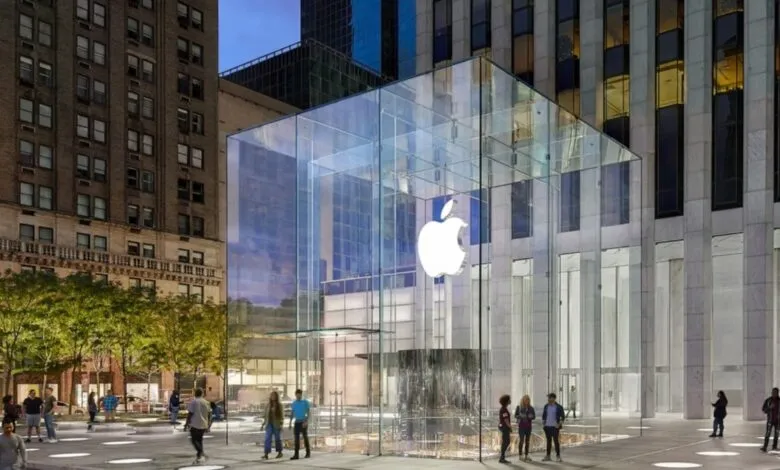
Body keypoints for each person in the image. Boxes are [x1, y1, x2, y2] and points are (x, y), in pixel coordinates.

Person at [184, 388, 212, 465]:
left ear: (195, 394)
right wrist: (209, 425)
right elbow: (210, 414)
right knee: (199, 440)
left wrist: (186, 424)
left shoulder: (194, 402)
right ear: (202, 394)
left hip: (195, 424)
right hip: (204, 424)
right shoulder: (206, 402)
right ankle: (199, 457)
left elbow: (190, 414)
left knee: (194, 440)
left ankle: (201, 453)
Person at [542, 392, 564, 462]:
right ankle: (548, 456)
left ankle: (558, 456)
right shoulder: (546, 406)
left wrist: (559, 424)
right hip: (547, 427)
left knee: (556, 442)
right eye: (548, 398)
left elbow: (562, 417)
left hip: (555, 427)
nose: (548, 399)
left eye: (549, 398)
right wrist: (544, 423)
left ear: (553, 398)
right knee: (548, 442)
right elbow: (544, 415)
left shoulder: (559, 407)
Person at [289, 389, 311, 460]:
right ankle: (296, 454)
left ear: (301, 394)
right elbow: (292, 413)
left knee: (305, 437)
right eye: (297, 394)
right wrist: (290, 422)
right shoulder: (294, 403)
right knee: (296, 439)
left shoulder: (305, 402)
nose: (298, 395)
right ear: (295, 395)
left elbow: (308, 413)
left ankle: (308, 453)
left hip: (303, 422)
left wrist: (306, 421)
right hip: (297, 422)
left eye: (300, 394)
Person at [261, 391, 283, 460]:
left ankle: (280, 452)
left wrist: (281, 424)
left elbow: (282, 416)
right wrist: (263, 424)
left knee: (277, 439)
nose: (273, 397)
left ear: (276, 396)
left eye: (274, 395)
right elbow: (265, 416)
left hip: (276, 424)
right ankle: (266, 454)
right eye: (272, 395)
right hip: (269, 424)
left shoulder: (279, 405)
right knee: (267, 439)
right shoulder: (268, 405)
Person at [515, 394, 535, 462]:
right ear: (523, 400)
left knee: (527, 441)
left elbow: (534, 416)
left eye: (528, 399)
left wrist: (530, 416)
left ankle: (526, 455)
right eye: (525, 399)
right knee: (521, 441)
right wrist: (520, 416)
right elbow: (516, 415)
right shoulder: (519, 407)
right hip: (521, 427)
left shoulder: (531, 408)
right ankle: (520, 455)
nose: (527, 401)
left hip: (528, 427)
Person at [762, 387, 780, 452]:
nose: (774, 394)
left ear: (778, 393)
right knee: (768, 433)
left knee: (776, 434)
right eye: (773, 392)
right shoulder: (768, 400)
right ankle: (765, 446)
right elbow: (764, 410)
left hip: (778, 421)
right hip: (770, 420)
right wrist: (769, 408)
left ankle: (774, 447)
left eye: (775, 393)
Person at [497, 394, 512, 463]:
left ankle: (502, 457)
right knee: (506, 441)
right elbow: (506, 420)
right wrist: (510, 427)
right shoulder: (504, 410)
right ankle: (502, 457)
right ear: (506, 401)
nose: (510, 400)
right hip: (505, 427)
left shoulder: (503, 409)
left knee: (506, 441)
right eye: (509, 399)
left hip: (503, 426)